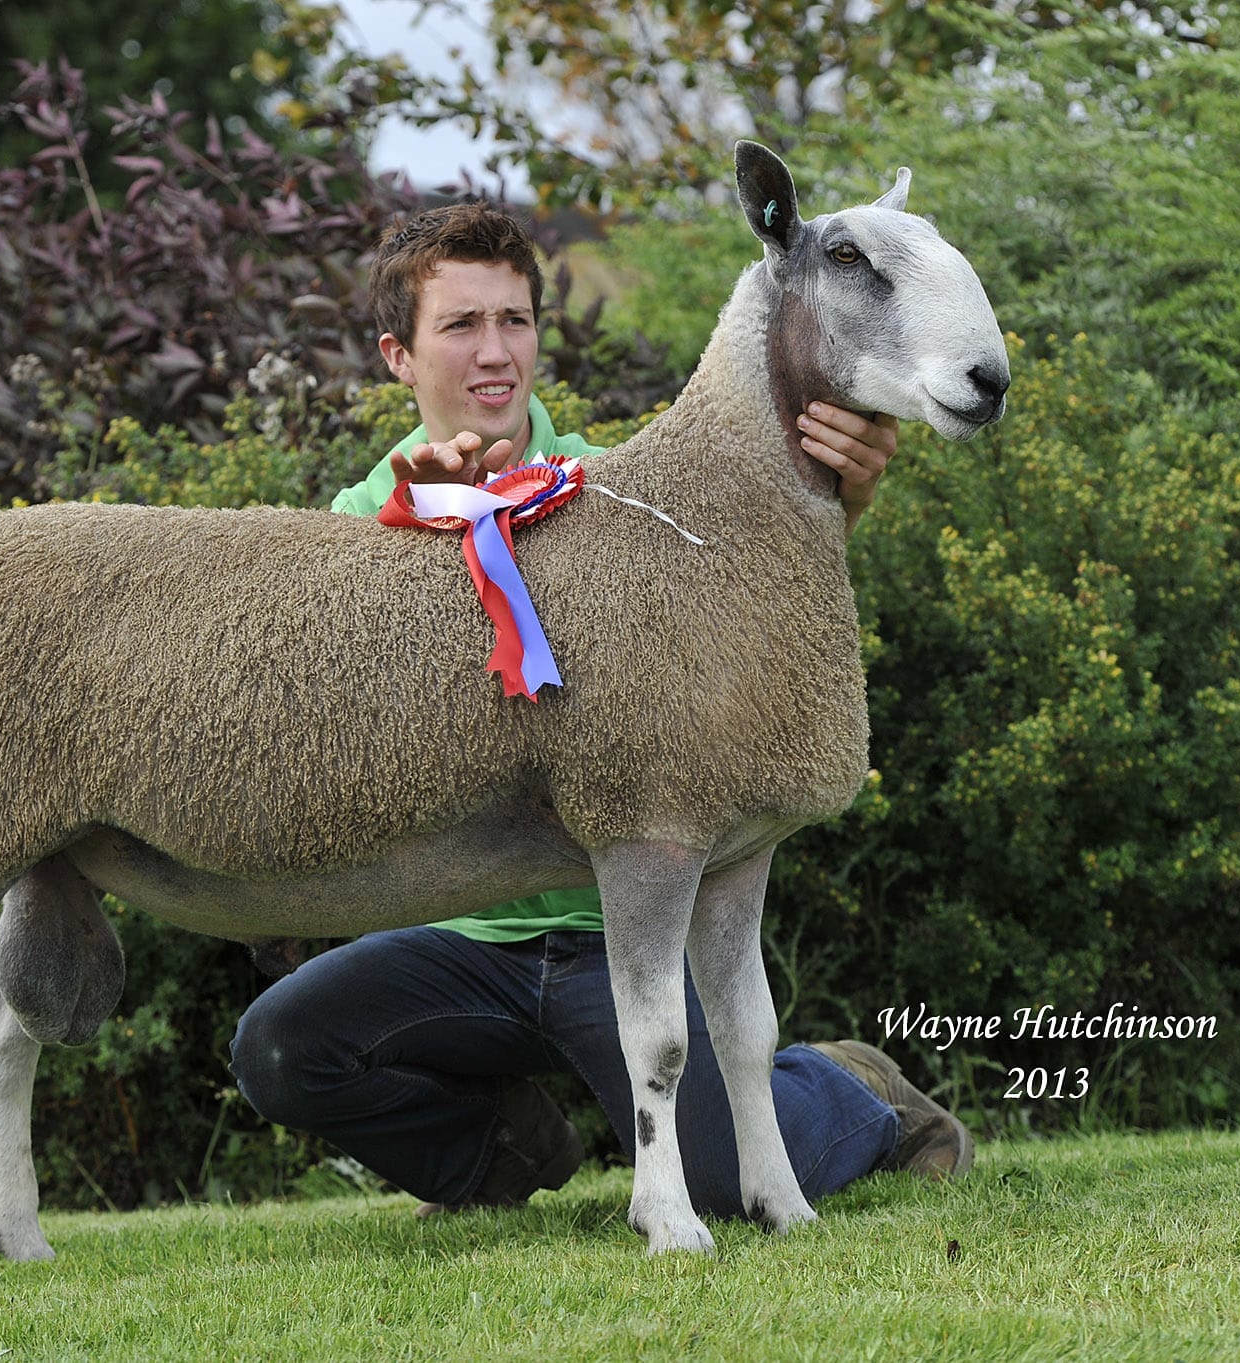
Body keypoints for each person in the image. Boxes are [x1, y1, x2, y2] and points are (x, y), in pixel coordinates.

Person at [229, 203, 968, 1219]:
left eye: (515, 320)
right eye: (460, 326)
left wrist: (842, 497)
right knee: (277, 1047)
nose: (496, 353)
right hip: (463, 944)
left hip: (622, 935)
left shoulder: (615, 489)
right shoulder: (358, 528)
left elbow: (754, 617)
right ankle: (500, 1152)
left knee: (720, 1183)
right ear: (398, 355)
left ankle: (852, 1089)